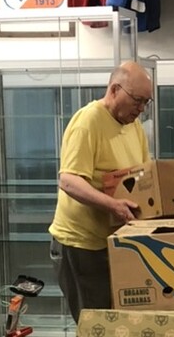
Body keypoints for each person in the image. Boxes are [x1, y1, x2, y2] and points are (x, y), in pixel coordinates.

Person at [49, 61, 152, 322]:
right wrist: (112, 205)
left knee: (118, 324)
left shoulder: (134, 126)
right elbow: (69, 180)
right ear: (115, 89)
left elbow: (145, 175)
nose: (141, 109)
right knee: (96, 327)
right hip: (82, 245)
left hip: (115, 242)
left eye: (146, 102)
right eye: (137, 100)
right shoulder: (88, 122)